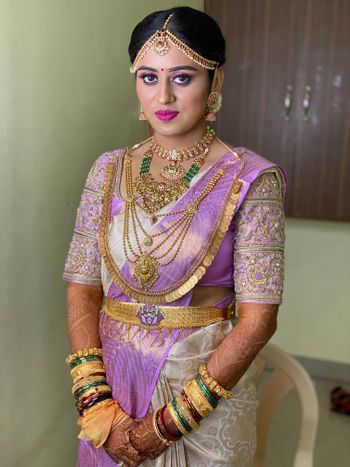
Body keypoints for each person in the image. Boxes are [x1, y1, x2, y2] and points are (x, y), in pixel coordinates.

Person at [63, 6, 286, 467]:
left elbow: (257, 321)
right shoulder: (108, 170)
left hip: (197, 393)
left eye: (182, 78)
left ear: (215, 82)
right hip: (112, 390)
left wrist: (164, 426)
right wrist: (95, 400)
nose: (162, 95)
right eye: (148, 77)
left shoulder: (251, 180)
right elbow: (83, 288)